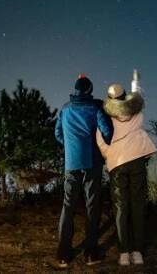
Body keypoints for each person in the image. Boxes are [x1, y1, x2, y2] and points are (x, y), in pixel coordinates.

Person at [96, 69, 157, 266]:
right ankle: (138, 251)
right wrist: (135, 81)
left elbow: (100, 141)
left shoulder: (105, 116)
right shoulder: (136, 110)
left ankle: (124, 252)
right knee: (138, 205)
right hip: (137, 160)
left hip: (117, 163)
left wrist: (109, 154)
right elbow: (139, 95)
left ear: (109, 98)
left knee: (121, 208)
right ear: (124, 97)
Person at [54, 74, 113, 268]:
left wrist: (70, 147)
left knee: (68, 206)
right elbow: (107, 132)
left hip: (71, 164)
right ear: (89, 90)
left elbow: (57, 134)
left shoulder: (65, 109)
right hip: (91, 162)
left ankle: (63, 254)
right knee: (92, 206)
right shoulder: (95, 107)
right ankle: (90, 253)